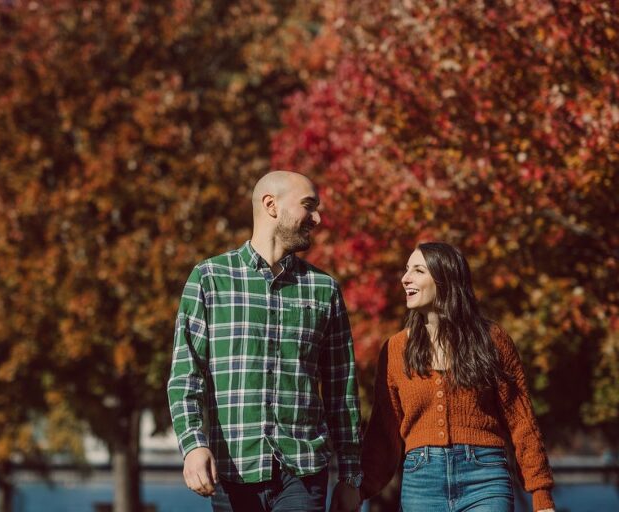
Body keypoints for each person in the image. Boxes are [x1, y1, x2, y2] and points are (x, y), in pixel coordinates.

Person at [167, 171, 363, 512]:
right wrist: (194, 445)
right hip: (232, 472)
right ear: (271, 205)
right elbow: (186, 377)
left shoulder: (324, 289)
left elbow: (341, 392)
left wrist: (350, 478)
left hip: (303, 471)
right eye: (308, 206)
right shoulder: (210, 278)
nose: (317, 218)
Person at [359, 241, 556, 512]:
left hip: (485, 477)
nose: (405, 279)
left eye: (418, 270)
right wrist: (359, 488)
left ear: (445, 278)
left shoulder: (492, 340)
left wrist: (541, 494)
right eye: (406, 270)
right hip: (422, 482)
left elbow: (521, 421)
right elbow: (383, 431)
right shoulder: (395, 350)